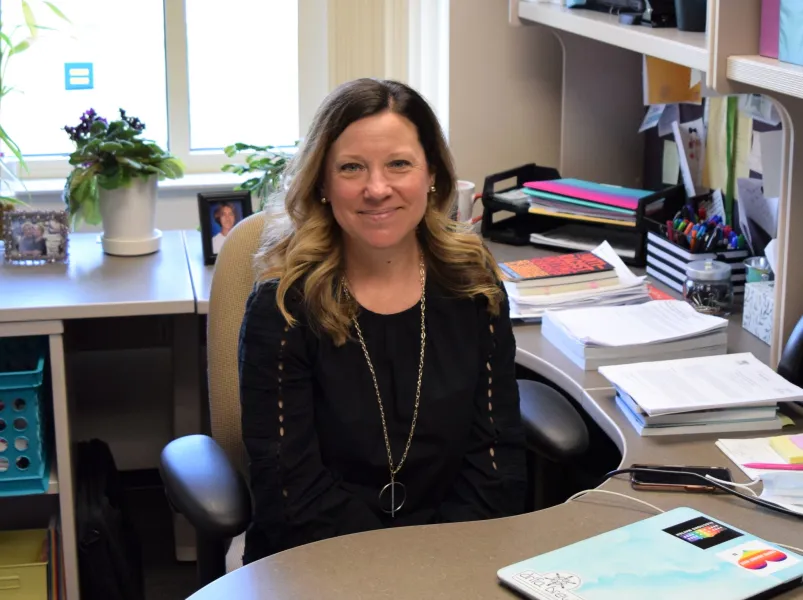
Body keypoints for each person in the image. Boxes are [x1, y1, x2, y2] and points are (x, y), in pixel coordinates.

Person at [238, 78, 526, 564]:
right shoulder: (284, 306)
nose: (376, 189)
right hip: (320, 560)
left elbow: (496, 464)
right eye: (351, 167)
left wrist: (443, 562)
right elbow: (290, 493)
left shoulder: (472, 286)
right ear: (322, 183)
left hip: (457, 556)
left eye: (399, 164)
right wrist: (394, 571)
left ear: (431, 174)